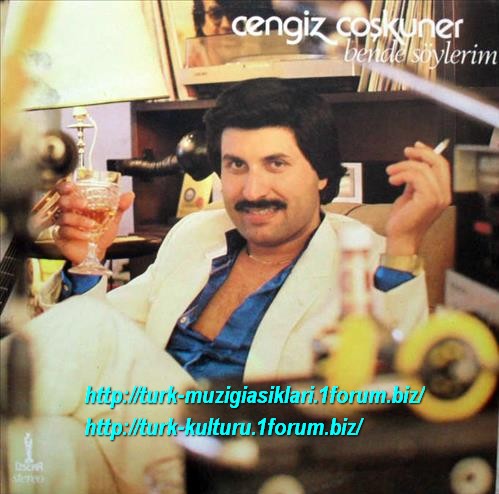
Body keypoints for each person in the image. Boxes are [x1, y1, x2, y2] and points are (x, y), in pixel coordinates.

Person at [37, 78, 451, 385]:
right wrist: (88, 259)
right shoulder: (195, 233)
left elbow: (395, 384)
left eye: (276, 164)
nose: (252, 191)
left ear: (322, 174)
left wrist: (404, 244)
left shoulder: (367, 261)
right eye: (237, 165)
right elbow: (92, 343)